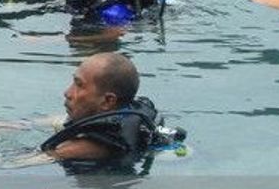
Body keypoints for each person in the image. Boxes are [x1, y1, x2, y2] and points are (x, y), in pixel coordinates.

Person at [41, 52, 180, 169]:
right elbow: (57, 121)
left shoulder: (76, 150)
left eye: (79, 85)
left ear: (108, 101)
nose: (67, 93)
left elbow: (22, 162)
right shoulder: (127, 112)